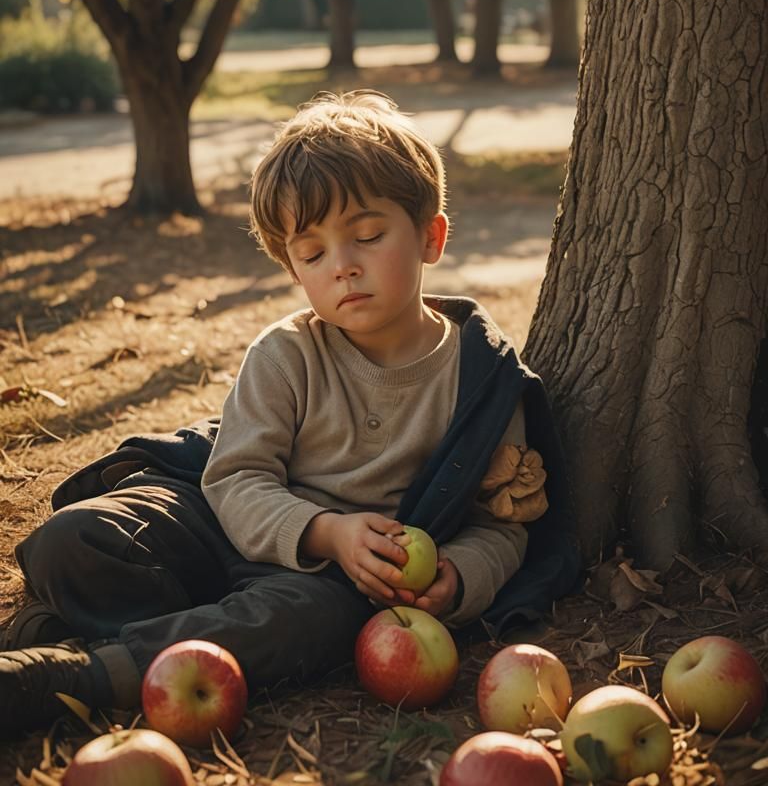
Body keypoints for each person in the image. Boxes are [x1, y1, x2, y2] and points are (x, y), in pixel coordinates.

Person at [0, 90, 580, 740]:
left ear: (430, 236)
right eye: (312, 253)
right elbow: (233, 479)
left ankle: (81, 675)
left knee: (304, 627)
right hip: (231, 524)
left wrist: (458, 576)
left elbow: (502, 527)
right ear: (292, 269)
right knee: (70, 541)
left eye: (367, 235)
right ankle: (103, 626)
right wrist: (326, 528)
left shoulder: (482, 384)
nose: (344, 266)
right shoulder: (286, 354)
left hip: (334, 584)